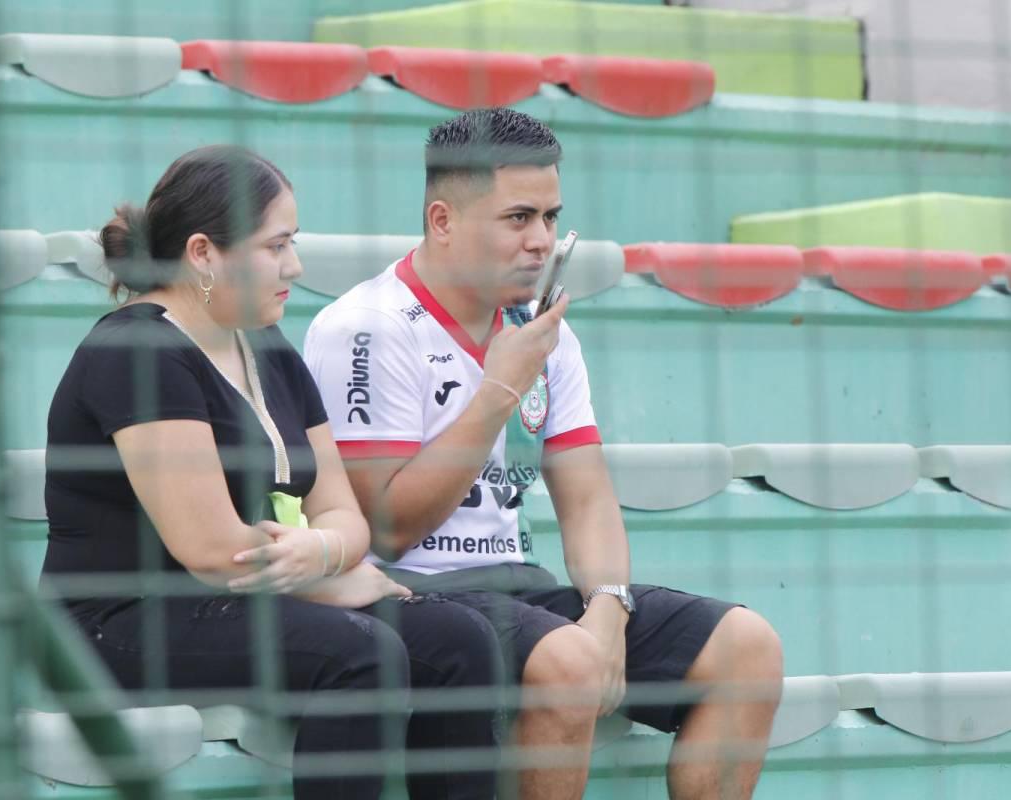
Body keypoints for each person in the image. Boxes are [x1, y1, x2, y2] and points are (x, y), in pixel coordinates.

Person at [304, 108, 784, 799]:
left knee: (747, 648)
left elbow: (586, 499)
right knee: (568, 662)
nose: (541, 242)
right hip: (405, 597)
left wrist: (609, 609)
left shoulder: (543, 331)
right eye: (518, 218)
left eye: (552, 219)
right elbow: (386, 524)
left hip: (514, 588)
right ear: (442, 221)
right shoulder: (368, 328)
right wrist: (500, 386)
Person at [41, 145, 501, 799]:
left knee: (460, 640)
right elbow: (212, 551)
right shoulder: (138, 349)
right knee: (360, 652)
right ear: (204, 253)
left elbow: (342, 514)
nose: (296, 265)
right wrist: (327, 578)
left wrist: (323, 549)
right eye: (276, 245)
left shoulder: (269, 346)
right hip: (117, 620)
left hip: (231, 603)